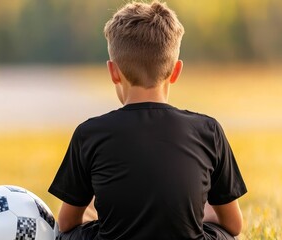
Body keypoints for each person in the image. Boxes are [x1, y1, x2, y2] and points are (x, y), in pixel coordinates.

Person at [48, 1, 247, 239]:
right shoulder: (208, 130)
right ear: (176, 71)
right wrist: (198, 212)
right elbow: (233, 225)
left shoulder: (89, 133)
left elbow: (67, 222)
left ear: (113, 71)